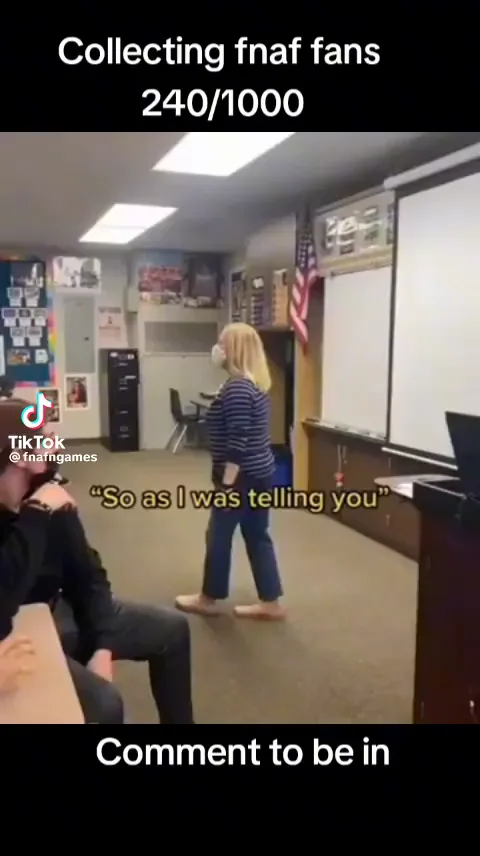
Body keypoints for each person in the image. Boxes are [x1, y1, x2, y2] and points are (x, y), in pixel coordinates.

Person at [0, 399, 194, 724]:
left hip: (60, 610)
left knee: (172, 630)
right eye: (43, 438)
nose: (54, 446)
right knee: (105, 705)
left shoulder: (48, 491)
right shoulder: (39, 507)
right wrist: (35, 515)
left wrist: (103, 647)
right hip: (21, 625)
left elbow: (89, 575)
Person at [176, 322, 285, 620]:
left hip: (241, 477)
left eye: (222, 343)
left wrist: (226, 484)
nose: (217, 349)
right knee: (257, 534)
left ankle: (208, 598)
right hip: (261, 472)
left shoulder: (238, 388)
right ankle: (271, 602)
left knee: (218, 535)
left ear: (234, 349)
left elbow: (238, 440)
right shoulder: (254, 384)